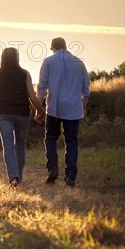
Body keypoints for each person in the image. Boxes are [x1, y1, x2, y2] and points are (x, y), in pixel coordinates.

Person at [0, 47, 46, 188]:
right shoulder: (24, 74)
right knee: (20, 144)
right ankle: (18, 178)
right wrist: (41, 111)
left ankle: (13, 177)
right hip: (22, 114)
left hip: (4, 114)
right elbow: (33, 97)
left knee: (8, 146)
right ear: (17, 58)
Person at [37, 37, 90, 187]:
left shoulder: (48, 61)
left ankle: (52, 169)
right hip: (73, 108)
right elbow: (86, 89)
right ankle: (70, 177)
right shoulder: (79, 62)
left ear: (53, 47)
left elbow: (42, 86)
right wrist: (83, 107)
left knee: (51, 138)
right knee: (71, 142)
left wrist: (39, 109)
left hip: (54, 107)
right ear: (65, 46)